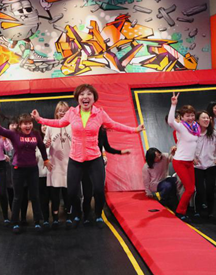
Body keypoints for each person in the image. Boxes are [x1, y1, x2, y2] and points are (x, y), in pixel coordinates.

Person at [32, 84, 143, 229]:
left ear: (94, 98)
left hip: (94, 158)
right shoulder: (72, 113)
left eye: (89, 94)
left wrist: (134, 130)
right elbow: (58, 123)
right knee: (72, 192)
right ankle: (77, 214)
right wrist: (40, 119)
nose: (85, 97)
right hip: (76, 159)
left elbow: (114, 125)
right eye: (82, 94)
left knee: (98, 190)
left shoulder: (100, 113)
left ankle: (97, 215)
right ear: (78, 98)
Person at [0, 113, 51, 233]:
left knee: (35, 196)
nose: (28, 126)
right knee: (18, 196)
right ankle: (15, 222)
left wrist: (46, 160)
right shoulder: (14, 134)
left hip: (32, 169)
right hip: (18, 169)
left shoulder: (36, 134)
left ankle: (37, 222)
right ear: (20, 125)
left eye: (30, 123)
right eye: (25, 124)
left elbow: (42, 147)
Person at [166, 92, 199, 221]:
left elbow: (193, 145)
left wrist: (194, 157)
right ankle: (180, 212)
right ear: (182, 117)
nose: (190, 117)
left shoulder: (195, 127)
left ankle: (183, 210)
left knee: (191, 189)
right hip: (180, 162)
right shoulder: (180, 127)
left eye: (192, 115)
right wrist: (173, 104)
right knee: (189, 189)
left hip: (189, 162)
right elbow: (170, 121)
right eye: (187, 115)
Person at [44, 101, 72, 229]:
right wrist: (47, 144)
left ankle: (69, 216)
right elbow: (44, 144)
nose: (62, 113)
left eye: (65, 110)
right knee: (54, 193)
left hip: (69, 164)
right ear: (56, 112)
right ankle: (55, 218)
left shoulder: (72, 125)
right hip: (55, 164)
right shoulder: (51, 125)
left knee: (68, 193)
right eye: (60, 110)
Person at [193, 110, 216, 219]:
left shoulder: (213, 133)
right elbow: (187, 148)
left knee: (210, 189)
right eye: (203, 118)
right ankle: (198, 210)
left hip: (211, 165)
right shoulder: (193, 134)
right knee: (200, 190)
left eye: (207, 118)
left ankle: (210, 211)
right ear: (197, 120)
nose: (206, 120)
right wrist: (192, 159)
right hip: (197, 166)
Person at [36, 124, 51, 225]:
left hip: (53, 175)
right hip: (40, 174)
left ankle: (55, 218)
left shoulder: (55, 140)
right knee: (42, 198)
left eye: (47, 125)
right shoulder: (37, 141)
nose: (44, 127)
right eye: (42, 125)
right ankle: (44, 219)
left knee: (53, 197)